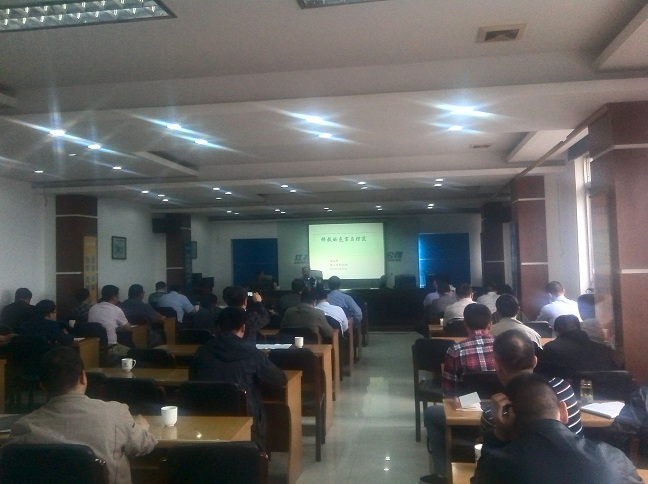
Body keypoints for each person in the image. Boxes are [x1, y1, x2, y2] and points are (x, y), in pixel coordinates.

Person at [8, 346, 157, 484]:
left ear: (42, 386)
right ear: (83, 378)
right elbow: (142, 446)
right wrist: (141, 428)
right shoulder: (115, 413)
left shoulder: (23, 428)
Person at [472, 373, 641, 484]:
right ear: (564, 411)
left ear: (509, 418)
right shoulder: (612, 458)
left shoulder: (497, 466)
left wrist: (499, 434)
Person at [189, 307, 287, 449]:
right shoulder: (251, 353)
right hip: (246, 418)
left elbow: (193, 381)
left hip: (207, 416)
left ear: (218, 327)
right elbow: (279, 379)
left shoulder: (201, 352)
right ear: (243, 327)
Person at [421, 303, 496, 484]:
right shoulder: (505, 347)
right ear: (490, 324)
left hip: (469, 407)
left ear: (465, 325)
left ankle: (442, 474)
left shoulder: (456, 350)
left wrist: (468, 400)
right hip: (501, 408)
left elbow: (449, 393)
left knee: (431, 414)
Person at [482, 330, 582, 439]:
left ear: (497, 365)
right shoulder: (564, 387)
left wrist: (500, 430)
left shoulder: (496, 414)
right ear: (535, 360)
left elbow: (488, 448)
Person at [535, 314, 621, 379]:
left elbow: (541, 378)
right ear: (580, 328)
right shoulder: (603, 349)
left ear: (556, 332)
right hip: (607, 394)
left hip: (567, 395)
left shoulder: (550, 349)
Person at [87, 285, 131, 357]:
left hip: (94, 347)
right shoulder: (116, 309)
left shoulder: (92, 308)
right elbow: (128, 328)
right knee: (134, 353)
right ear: (114, 297)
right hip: (111, 348)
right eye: (118, 296)